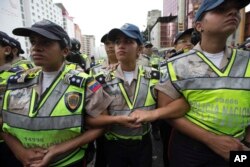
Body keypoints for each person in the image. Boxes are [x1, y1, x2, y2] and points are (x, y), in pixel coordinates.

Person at [149, 0, 250, 166]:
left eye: (235, 9)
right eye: (221, 9)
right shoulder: (176, 64)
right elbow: (166, 112)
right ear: (199, 26)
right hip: (191, 149)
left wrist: (246, 142)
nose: (232, 13)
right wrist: (212, 140)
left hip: (238, 146)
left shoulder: (247, 61)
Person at [1, 19, 112, 167]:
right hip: (24, 161)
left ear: (65, 51)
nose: (36, 48)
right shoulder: (14, 82)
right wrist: (19, 151)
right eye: (33, 42)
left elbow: (102, 125)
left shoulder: (85, 83)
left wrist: (57, 150)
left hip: (69, 161)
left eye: (46, 43)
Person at [87, 23, 188, 167]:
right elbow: (91, 119)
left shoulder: (155, 76)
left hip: (143, 144)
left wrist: (155, 114)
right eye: (117, 42)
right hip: (113, 144)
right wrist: (117, 120)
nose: (121, 46)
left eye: (128, 41)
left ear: (139, 49)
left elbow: (183, 105)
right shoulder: (101, 80)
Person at [91, 32, 118, 167]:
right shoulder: (95, 70)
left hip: (123, 120)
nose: (110, 46)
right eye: (107, 43)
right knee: (101, 156)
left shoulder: (130, 66)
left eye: (114, 42)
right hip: (103, 120)